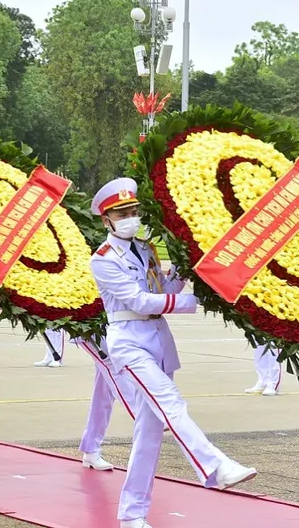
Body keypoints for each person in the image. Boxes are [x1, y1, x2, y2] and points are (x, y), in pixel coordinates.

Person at [90, 177, 256, 528]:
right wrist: (190, 301)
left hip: (158, 341)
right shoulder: (103, 259)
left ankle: (132, 513)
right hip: (129, 342)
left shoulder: (146, 249)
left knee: (148, 435)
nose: (130, 218)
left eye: (133, 211)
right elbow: (139, 300)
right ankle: (213, 467)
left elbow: (161, 287)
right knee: (171, 403)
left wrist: (186, 265)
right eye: (122, 213)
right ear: (106, 220)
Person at [75, 335, 137, 471]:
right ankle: (142, 412)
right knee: (114, 366)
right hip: (87, 327)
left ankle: (91, 448)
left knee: (103, 391)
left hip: (107, 328)